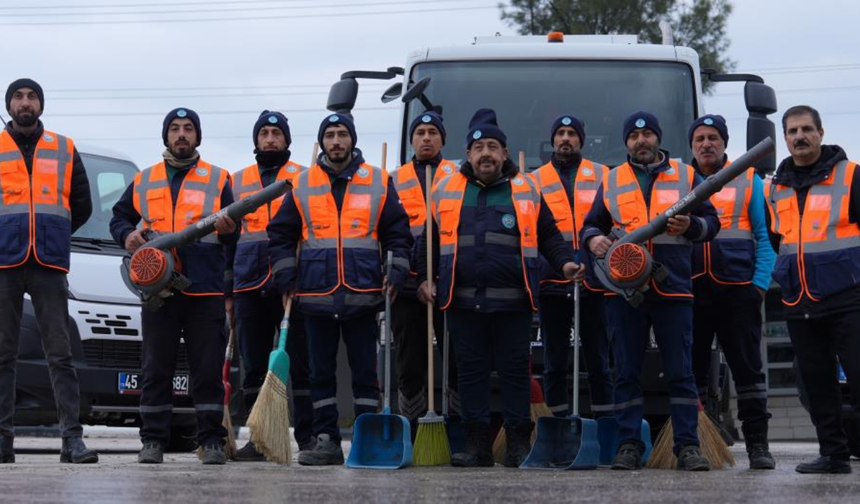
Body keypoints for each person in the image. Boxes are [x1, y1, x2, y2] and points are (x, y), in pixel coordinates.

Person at [417, 109, 582, 468]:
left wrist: (566, 262)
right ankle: (477, 447)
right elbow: (427, 242)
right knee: (471, 375)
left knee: (514, 375)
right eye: (479, 148)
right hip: (461, 303)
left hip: (514, 302)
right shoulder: (445, 190)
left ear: (505, 153)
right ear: (468, 154)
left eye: (493, 147)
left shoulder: (526, 189)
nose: (486, 153)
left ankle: (518, 445)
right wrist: (423, 278)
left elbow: (550, 236)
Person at [267, 113, 413, 466]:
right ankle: (326, 439)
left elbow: (398, 233)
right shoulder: (301, 183)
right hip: (315, 296)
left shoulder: (378, 181)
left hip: (363, 293)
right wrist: (286, 277)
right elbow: (280, 235)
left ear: (352, 140)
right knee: (321, 374)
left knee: (366, 373)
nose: (336, 141)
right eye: (330, 135)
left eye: (342, 134)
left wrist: (395, 272)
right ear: (323, 141)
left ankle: (367, 437)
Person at [581, 111, 719, 471]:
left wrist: (691, 225)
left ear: (657, 138)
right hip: (624, 292)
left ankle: (687, 447)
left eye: (647, 136)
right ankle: (629, 445)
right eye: (633, 137)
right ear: (626, 142)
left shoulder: (687, 175)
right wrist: (594, 239)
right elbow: (592, 224)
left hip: (673, 288)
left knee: (680, 371)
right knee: (625, 370)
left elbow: (712, 223)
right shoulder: (612, 180)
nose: (640, 142)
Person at [110, 107, 238, 465]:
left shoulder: (218, 178)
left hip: (205, 288)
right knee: (156, 368)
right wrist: (128, 234)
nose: (181, 135)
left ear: (198, 137)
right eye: (175, 129)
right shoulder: (144, 178)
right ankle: (152, 440)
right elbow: (119, 218)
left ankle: (211, 441)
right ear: (166, 136)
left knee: (207, 369)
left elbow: (234, 234)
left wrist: (230, 230)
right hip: (158, 290)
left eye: (188, 129)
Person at [0, 78, 97, 464]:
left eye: (32, 96)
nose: (26, 102)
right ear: (9, 105)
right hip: (4, 263)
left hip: (49, 265)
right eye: (18, 97)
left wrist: (52, 234)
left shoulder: (64, 147)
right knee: (2, 355)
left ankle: (71, 441)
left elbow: (82, 204)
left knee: (60, 354)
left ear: (41, 104)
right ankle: (2, 442)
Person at [766, 105, 860, 474]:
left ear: (821, 132)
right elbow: (779, 241)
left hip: (848, 298)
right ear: (785, 138)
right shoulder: (775, 187)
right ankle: (834, 455)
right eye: (792, 131)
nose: (800, 136)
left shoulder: (851, 176)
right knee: (817, 382)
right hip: (798, 300)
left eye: (807, 129)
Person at [688, 114, 776, 469]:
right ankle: (691, 445)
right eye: (699, 139)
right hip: (692, 292)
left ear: (724, 143)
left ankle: (757, 445)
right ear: (692, 145)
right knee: (689, 374)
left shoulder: (750, 181)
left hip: (738, 292)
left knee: (748, 373)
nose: (706, 144)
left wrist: (758, 288)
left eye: (713, 137)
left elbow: (766, 239)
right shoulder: (680, 181)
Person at [229, 111, 313, 460]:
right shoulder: (236, 181)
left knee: (301, 363)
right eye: (263, 133)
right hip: (249, 282)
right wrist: (228, 290)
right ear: (255, 140)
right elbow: (227, 239)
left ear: (287, 140)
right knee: (253, 365)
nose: (269, 139)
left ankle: (308, 438)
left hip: (291, 284)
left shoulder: (306, 178)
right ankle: (259, 439)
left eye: (276, 133)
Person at [531, 115, 613, 420]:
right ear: (553, 140)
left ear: (582, 140)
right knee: (554, 363)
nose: (566, 139)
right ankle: (559, 426)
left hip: (595, 281)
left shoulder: (604, 175)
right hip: (552, 282)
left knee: (599, 361)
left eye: (572, 134)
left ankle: (605, 425)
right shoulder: (534, 180)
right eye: (561, 133)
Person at [391, 111, 459, 434]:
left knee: (456, 356)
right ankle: (413, 427)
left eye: (433, 132)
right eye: (420, 133)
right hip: (406, 283)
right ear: (412, 140)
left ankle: (459, 424)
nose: (427, 138)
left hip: (448, 281)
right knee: (410, 359)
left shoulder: (458, 175)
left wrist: (434, 279)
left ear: (443, 139)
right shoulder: (394, 178)